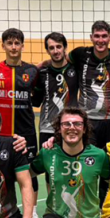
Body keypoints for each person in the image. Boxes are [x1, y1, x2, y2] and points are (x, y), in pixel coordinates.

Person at [0, 28, 41, 218]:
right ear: (3, 45)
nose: (13, 47)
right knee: (0, 172)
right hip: (2, 132)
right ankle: (1, 211)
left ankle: (32, 213)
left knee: (30, 173)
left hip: (26, 130)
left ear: (22, 46)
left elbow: (36, 96)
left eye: (17, 43)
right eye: (9, 43)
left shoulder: (32, 71)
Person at [69, 20, 110, 148]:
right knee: (89, 156)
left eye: (104, 36)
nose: (100, 40)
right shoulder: (80, 54)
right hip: (87, 118)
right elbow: (61, 61)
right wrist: (41, 65)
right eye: (97, 36)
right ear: (91, 37)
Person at [33, 32, 78, 170]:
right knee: (50, 169)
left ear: (65, 48)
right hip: (47, 127)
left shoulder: (76, 69)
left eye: (59, 46)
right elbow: (36, 101)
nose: (56, 51)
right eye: (51, 48)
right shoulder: (42, 73)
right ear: (47, 51)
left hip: (71, 127)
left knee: (72, 166)